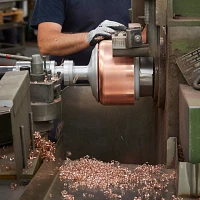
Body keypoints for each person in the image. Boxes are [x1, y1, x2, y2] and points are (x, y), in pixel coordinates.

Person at [30, 0, 131, 66]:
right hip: (73, 87)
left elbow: (144, 36)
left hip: (128, 85)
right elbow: (47, 43)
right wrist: (90, 37)